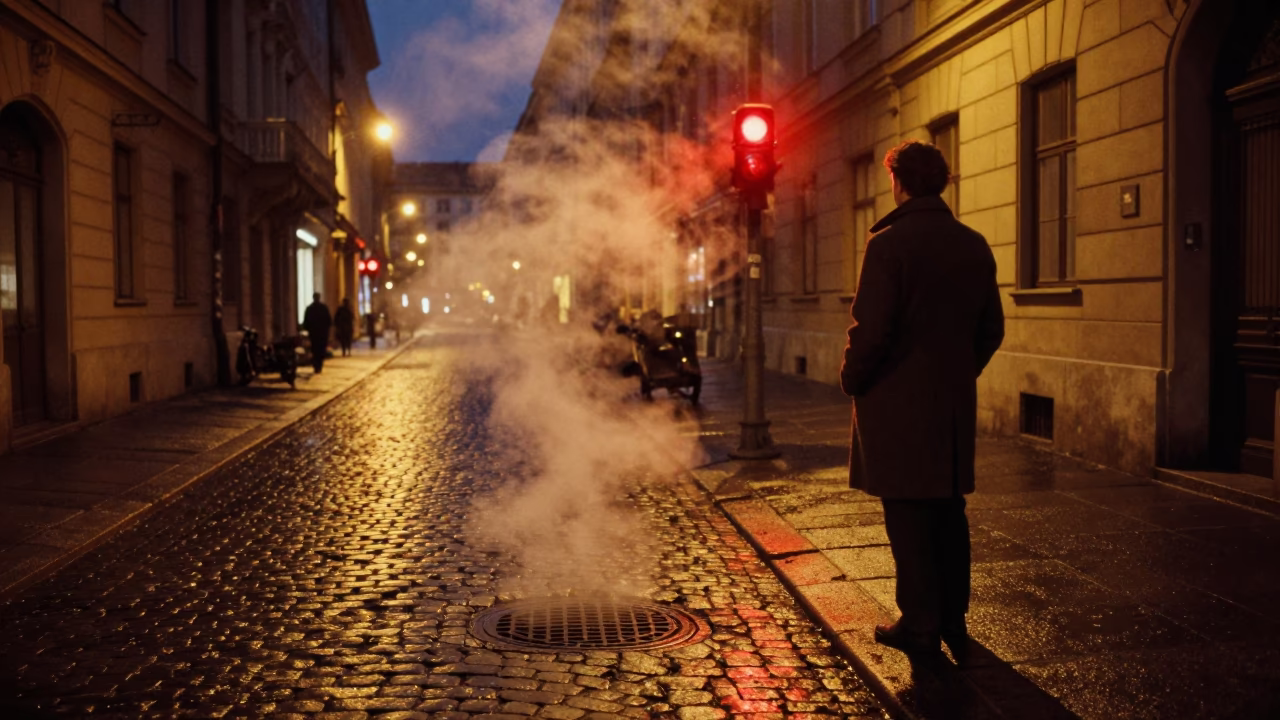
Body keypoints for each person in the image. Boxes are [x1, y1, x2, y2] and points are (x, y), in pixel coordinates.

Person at [840, 140, 1004, 662]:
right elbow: (991, 329)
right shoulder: (973, 243)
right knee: (948, 513)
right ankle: (954, 617)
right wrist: (958, 371)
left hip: (896, 405)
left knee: (908, 516)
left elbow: (872, 331)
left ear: (899, 181)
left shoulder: (889, 244)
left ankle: (919, 624)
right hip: (951, 407)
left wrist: (853, 377)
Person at [302, 292, 332, 374]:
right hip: (321, 333)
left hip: (314, 333)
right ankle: (318, 365)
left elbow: (306, 322)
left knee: (315, 350)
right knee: (320, 350)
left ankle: (316, 365)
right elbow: (329, 321)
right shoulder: (323, 308)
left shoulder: (310, 308)